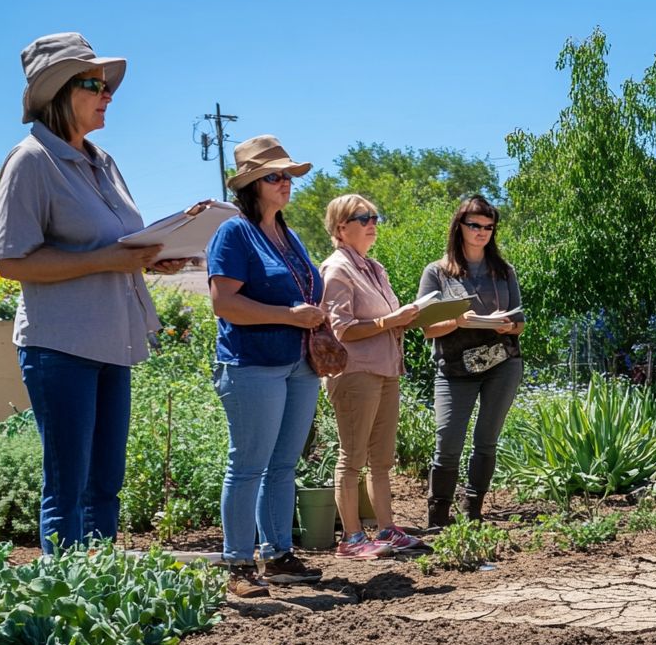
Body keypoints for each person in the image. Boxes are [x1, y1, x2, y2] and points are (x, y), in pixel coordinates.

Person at [0, 33, 188, 554]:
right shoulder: (30, 160)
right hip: (59, 347)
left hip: (112, 343)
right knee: (69, 486)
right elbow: (11, 260)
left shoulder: (104, 161)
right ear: (59, 92)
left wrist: (154, 259)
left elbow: (114, 244)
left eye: (108, 87)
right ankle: (68, 601)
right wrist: (105, 260)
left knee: (106, 485)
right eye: (94, 85)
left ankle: (102, 592)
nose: (107, 95)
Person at [206, 136, 326, 598]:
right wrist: (289, 316)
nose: (286, 183)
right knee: (248, 465)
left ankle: (277, 556)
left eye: (288, 175)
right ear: (252, 185)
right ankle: (238, 562)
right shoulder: (234, 232)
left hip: (299, 362)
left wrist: (312, 315)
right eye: (275, 176)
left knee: (283, 464)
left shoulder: (288, 235)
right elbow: (225, 304)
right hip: (252, 364)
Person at [319, 194, 429, 558]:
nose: (372, 223)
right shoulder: (336, 269)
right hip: (354, 372)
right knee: (352, 457)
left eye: (375, 217)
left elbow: (389, 321)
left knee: (382, 458)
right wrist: (388, 322)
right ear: (340, 227)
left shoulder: (374, 268)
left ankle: (387, 529)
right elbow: (341, 329)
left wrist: (416, 318)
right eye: (362, 217)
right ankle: (351, 538)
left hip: (385, 370)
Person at [418, 196, 525, 527]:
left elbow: (519, 321)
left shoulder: (504, 271)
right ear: (459, 226)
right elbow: (426, 327)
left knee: (486, 439)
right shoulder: (437, 272)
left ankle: (473, 511)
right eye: (475, 225)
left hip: (501, 363)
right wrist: (456, 321)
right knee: (448, 438)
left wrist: (508, 324)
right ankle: (438, 517)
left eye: (488, 227)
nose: (482, 232)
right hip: (454, 367)